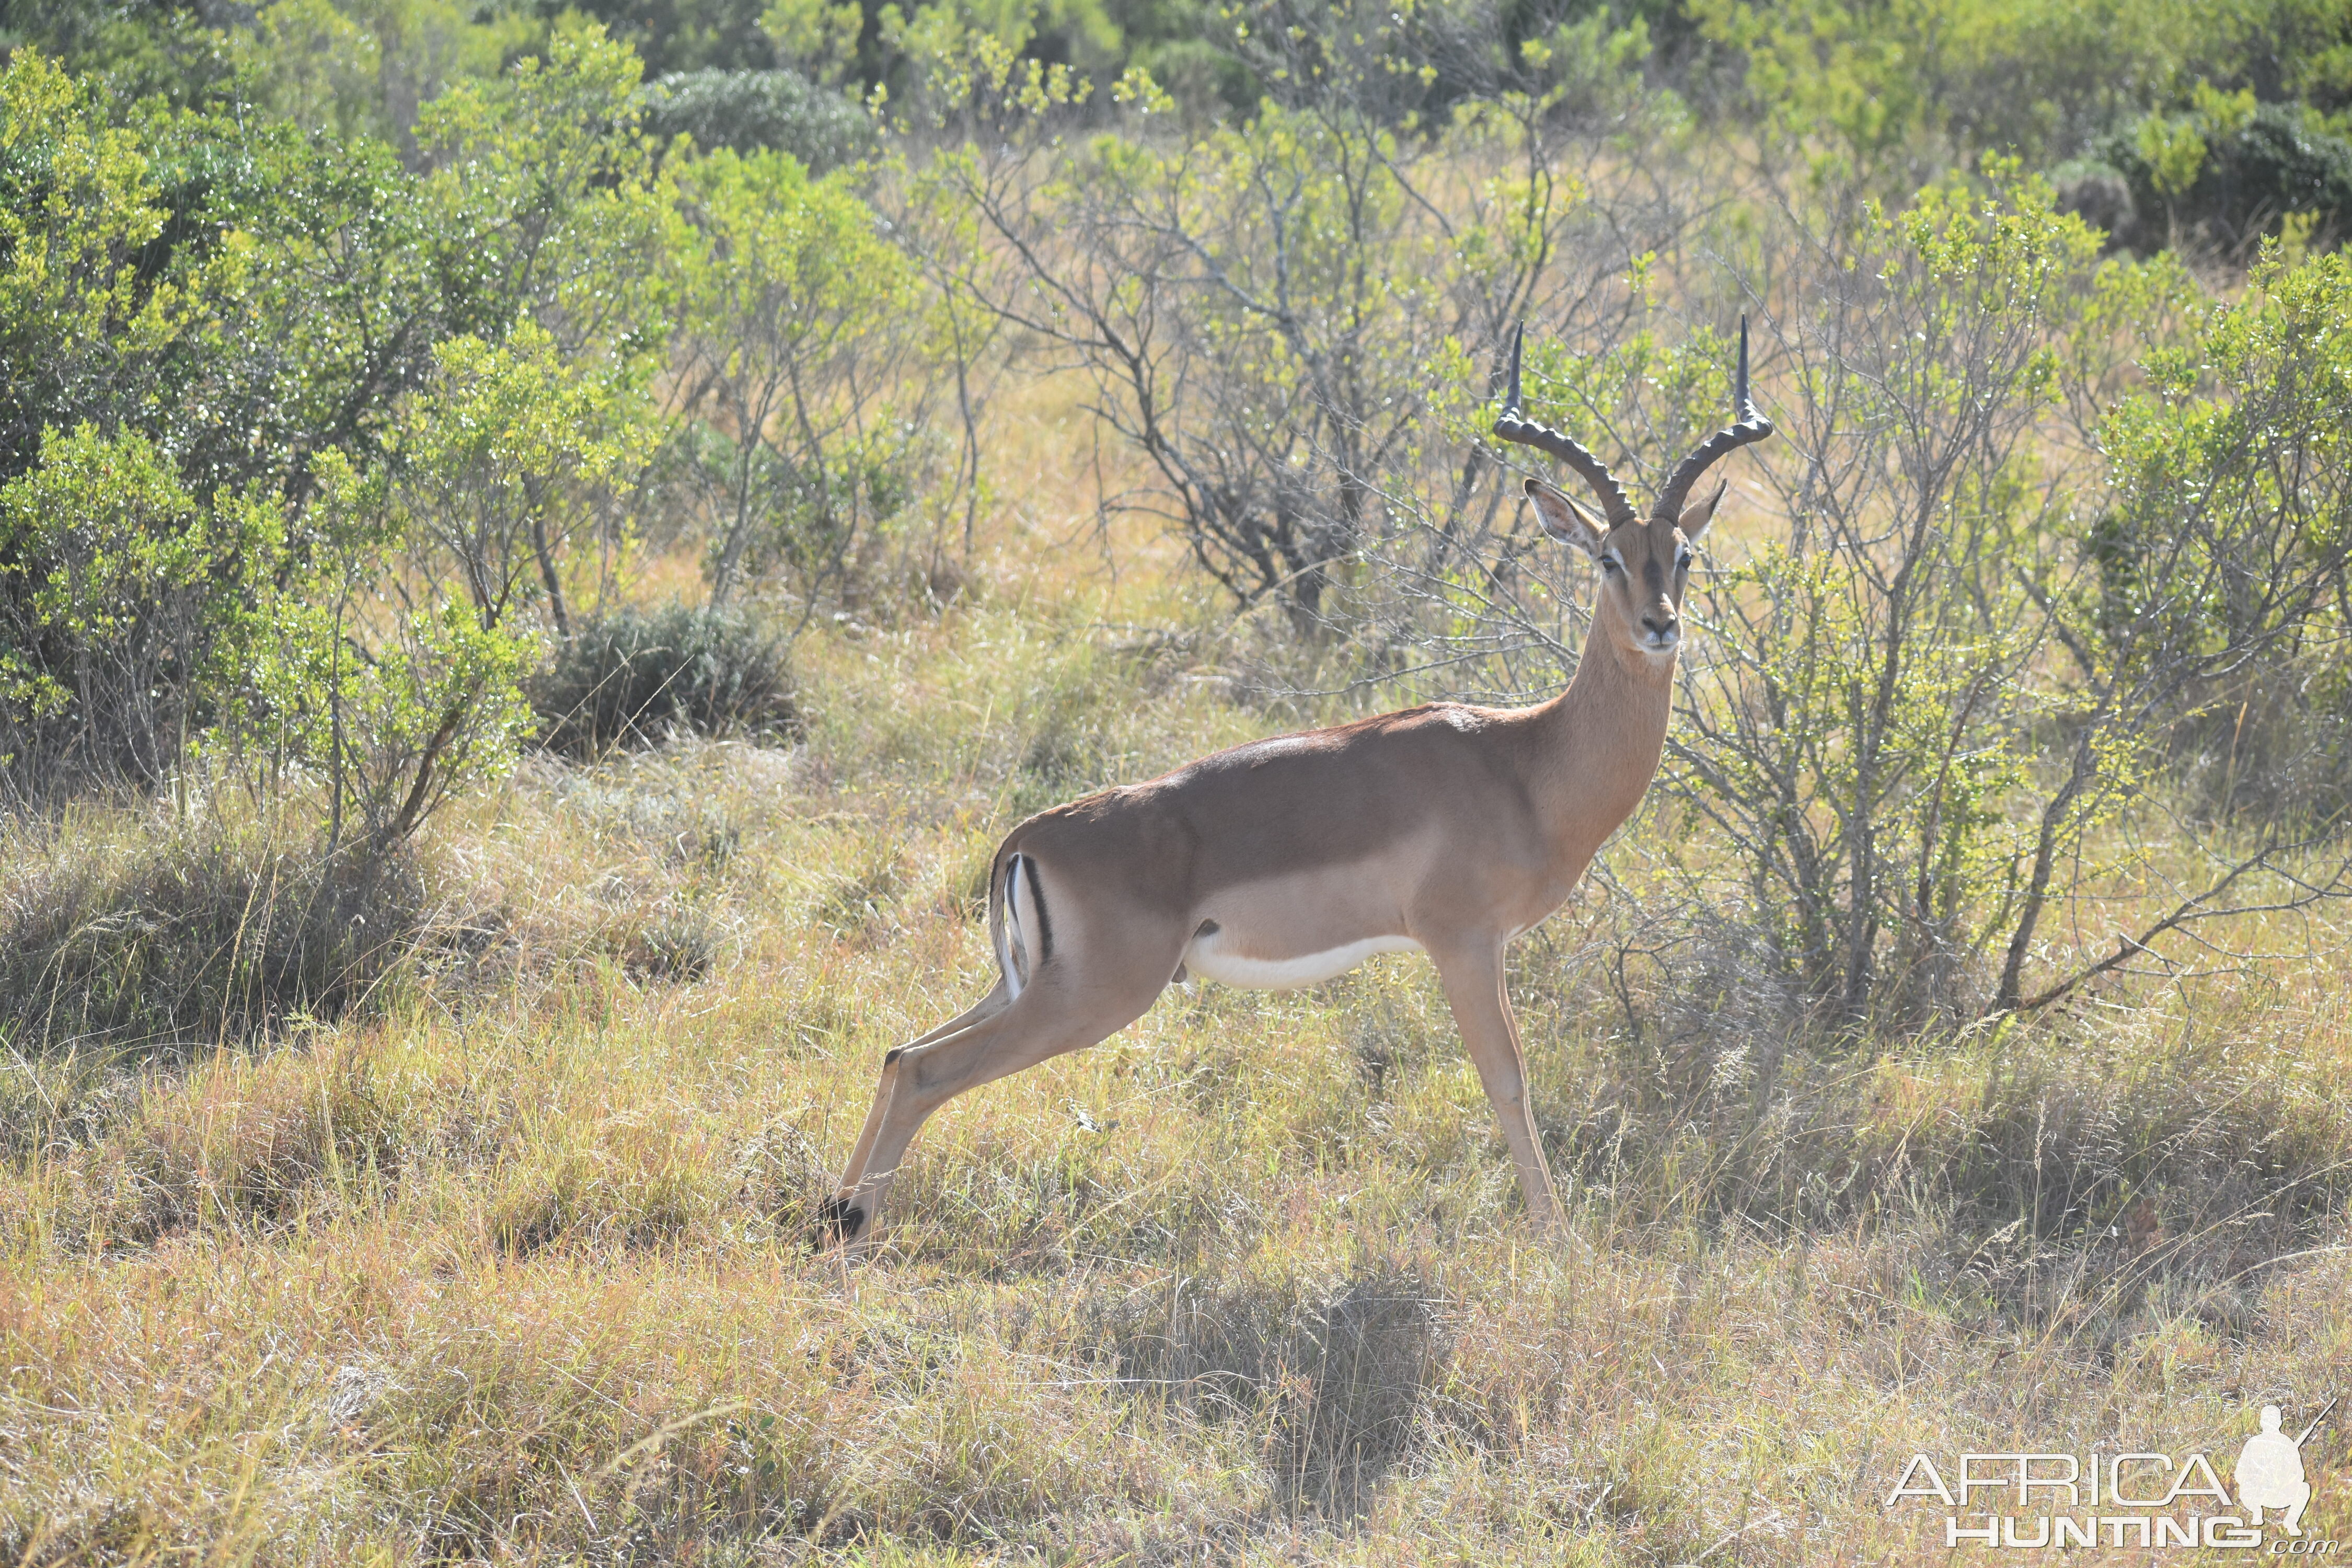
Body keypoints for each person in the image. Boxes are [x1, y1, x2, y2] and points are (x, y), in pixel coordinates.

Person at [2234, 1404, 2311, 1535]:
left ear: (2261, 1422)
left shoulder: (2286, 1444)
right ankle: (2257, 1513)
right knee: (2304, 1488)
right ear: (2280, 1422)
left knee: (2304, 1487)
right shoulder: (2255, 1443)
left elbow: (2299, 1475)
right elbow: (2240, 1474)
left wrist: (2282, 1477)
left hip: (2279, 1495)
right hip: (2263, 1495)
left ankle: (2290, 1522)